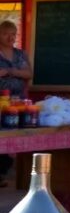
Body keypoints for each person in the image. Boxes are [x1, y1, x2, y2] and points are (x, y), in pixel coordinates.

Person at [0, 19, 32, 188]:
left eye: (13, 34)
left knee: (16, 135)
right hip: (1, 103)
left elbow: (28, 74)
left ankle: (9, 172)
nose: (10, 37)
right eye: (6, 34)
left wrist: (14, 72)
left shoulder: (20, 54)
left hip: (18, 102)